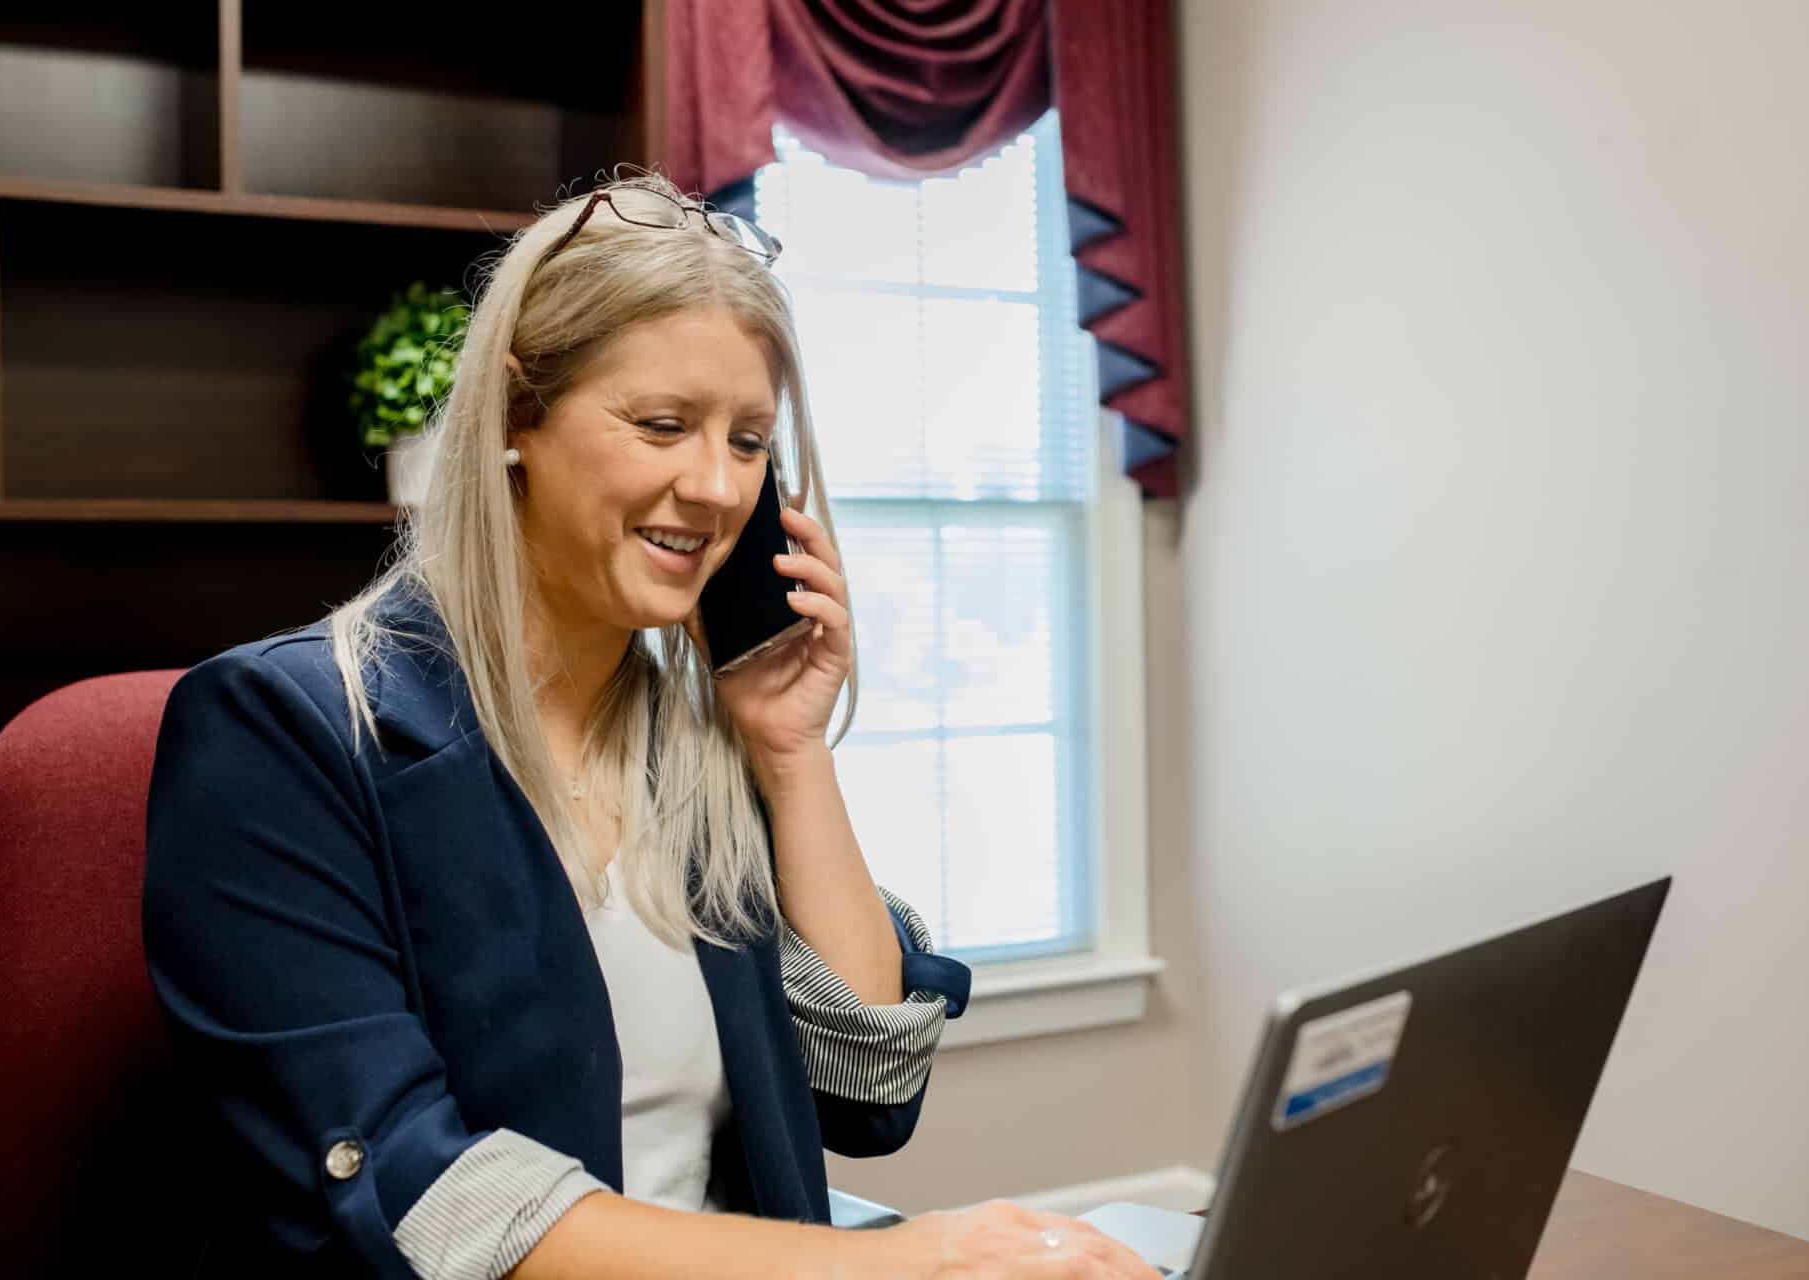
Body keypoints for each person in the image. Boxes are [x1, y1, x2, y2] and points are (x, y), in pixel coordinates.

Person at [141, 170, 1159, 1278]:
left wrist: (790, 748)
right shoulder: (280, 737)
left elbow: (866, 1086)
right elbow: (420, 1192)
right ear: (517, 417)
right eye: (663, 424)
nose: (717, 487)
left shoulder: (692, 750)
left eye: (748, 441)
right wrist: (887, 1265)